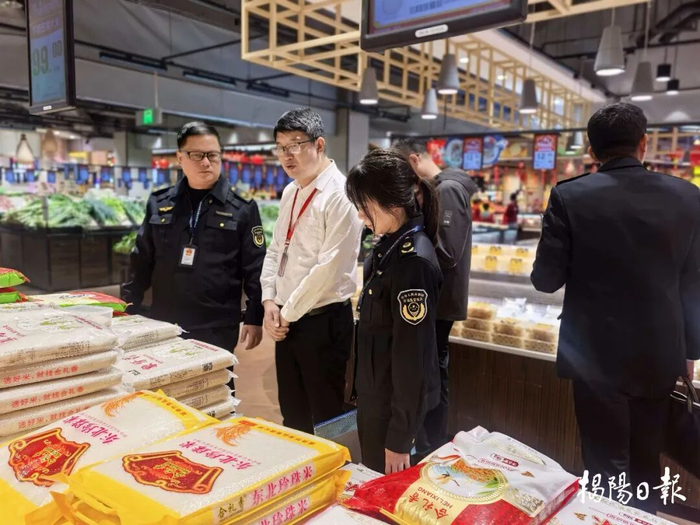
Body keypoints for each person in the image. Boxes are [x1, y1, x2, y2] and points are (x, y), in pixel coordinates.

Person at [531, 102, 700, 513]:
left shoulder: (569, 195)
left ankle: (605, 519)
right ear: (644, 143)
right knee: (646, 461)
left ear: (592, 151)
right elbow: (694, 283)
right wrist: (691, 351)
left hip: (592, 355)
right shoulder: (687, 196)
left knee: (603, 466)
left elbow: (545, 279)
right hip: (660, 353)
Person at [122, 122, 266, 386]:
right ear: (180, 158)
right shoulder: (160, 203)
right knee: (165, 393)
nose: (206, 162)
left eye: (213, 155)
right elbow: (141, 259)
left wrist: (255, 316)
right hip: (165, 322)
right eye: (197, 155)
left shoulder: (242, 209)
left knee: (216, 393)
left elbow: (255, 266)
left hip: (216, 325)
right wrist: (127, 305)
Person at [260, 108, 364, 434]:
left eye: (295, 144)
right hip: (287, 320)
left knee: (326, 418)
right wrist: (269, 301)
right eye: (281, 147)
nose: (286, 155)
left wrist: (285, 313)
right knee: (292, 414)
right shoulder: (291, 191)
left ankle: (333, 468)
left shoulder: (341, 195)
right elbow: (276, 249)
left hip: (323, 321)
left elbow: (328, 270)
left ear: (319, 145)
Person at [346, 148, 443, 474]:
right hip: (378, 399)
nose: (361, 215)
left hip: (393, 413)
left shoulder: (412, 262)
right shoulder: (389, 244)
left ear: (393, 202)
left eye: (365, 206)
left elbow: (413, 356)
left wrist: (401, 437)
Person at [395, 138, 477, 458]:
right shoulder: (436, 189)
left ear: (414, 160)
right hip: (434, 297)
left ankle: (433, 444)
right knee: (430, 371)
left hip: (440, 300)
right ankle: (429, 442)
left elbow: (447, 252)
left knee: (433, 374)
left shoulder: (448, 189)